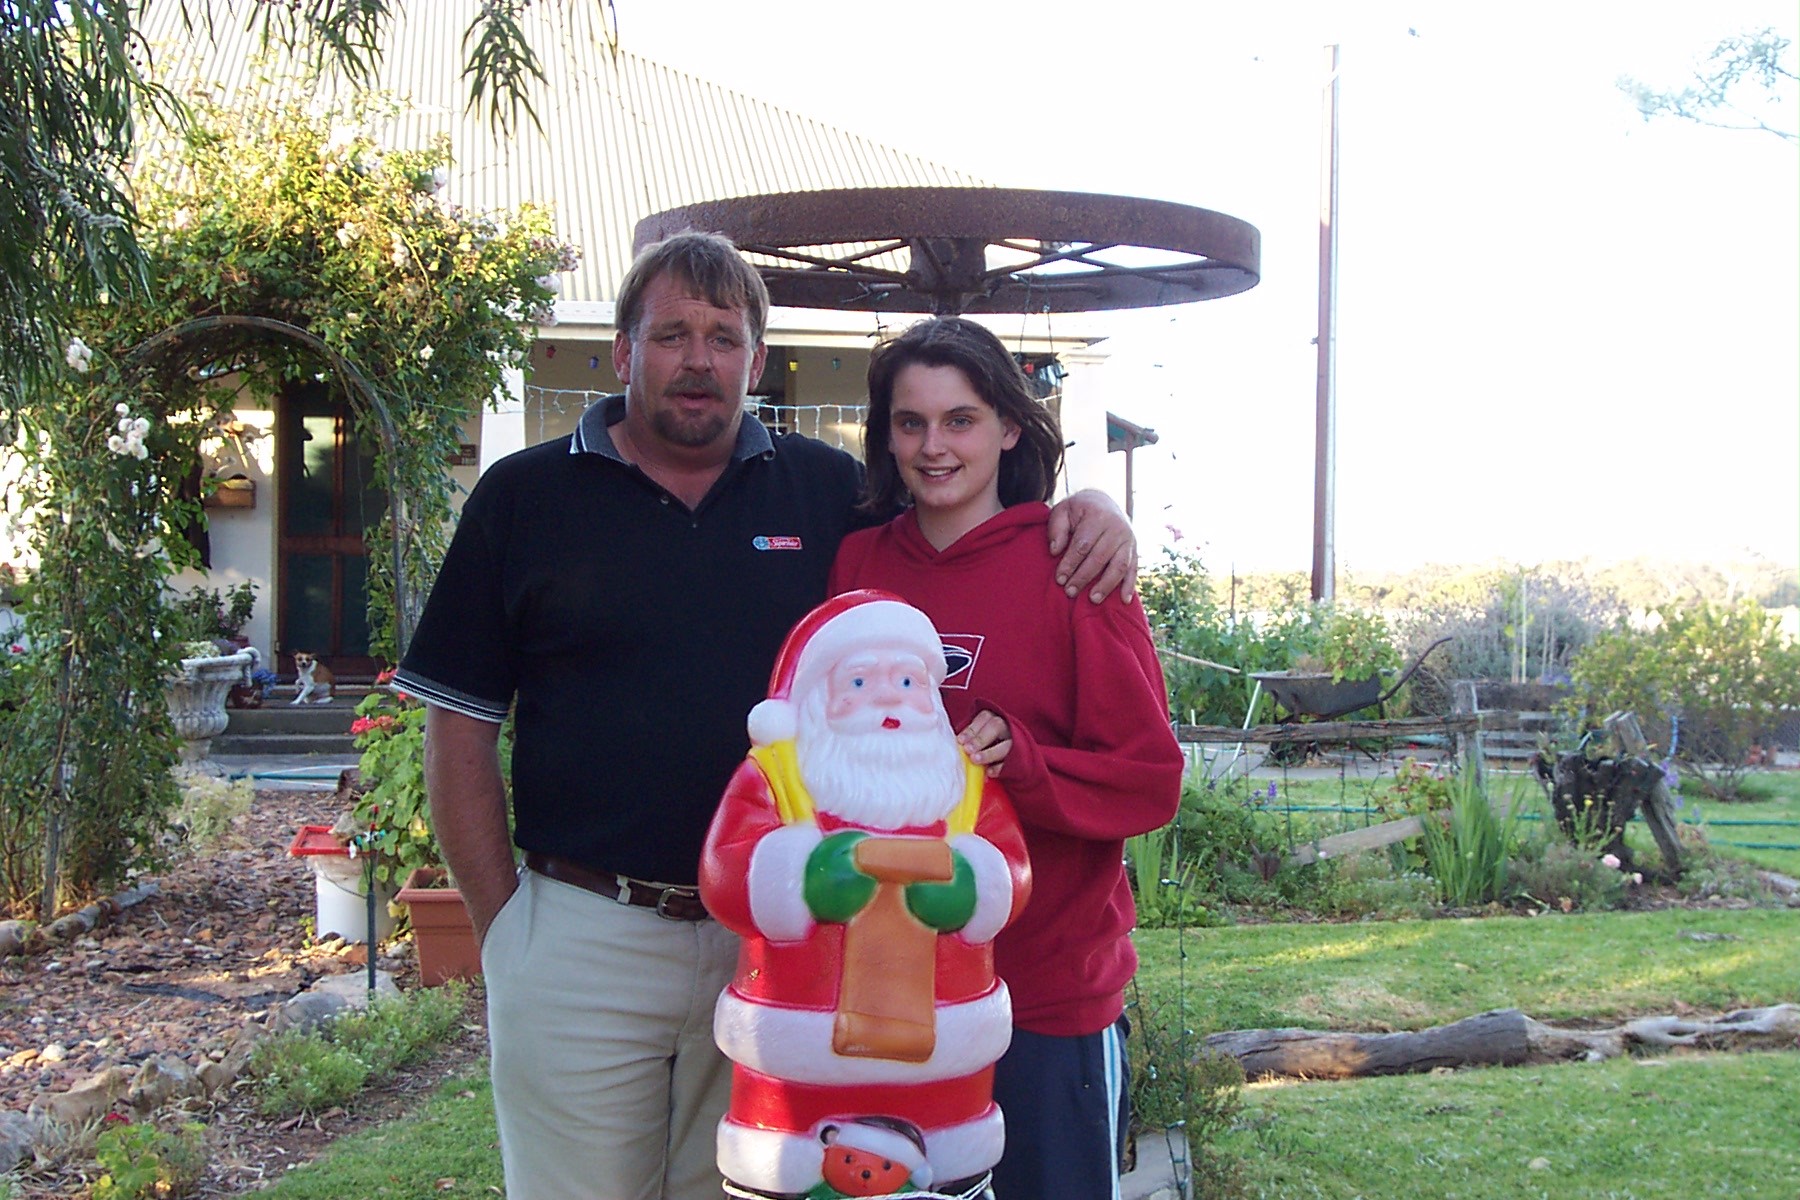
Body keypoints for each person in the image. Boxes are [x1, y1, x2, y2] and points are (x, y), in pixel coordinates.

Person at [393, 232, 1138, 1200]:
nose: (698, 359)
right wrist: (507, 934)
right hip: (586, 933)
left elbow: (960, 520)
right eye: (671, 335)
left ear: (755, 360)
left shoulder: (826, 494)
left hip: (786, 946)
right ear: (622, 352)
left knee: (754, 1187)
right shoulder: (523, 498)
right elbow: (458, 726)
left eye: (724, 337)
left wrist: (1089, 509)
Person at [827, 316, 1185, 1200]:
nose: (934, 446)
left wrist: (1024, 764)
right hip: (887, 996)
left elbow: (1148, 780)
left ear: (1010, 429)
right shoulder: (859, 565)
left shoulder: (1073, 562)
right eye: (910, 422)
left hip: (1044, 998)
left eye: (961, 420)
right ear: (885, 438)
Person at [698, 590, 1033, 1196]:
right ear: (816, 696)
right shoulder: (775, 777)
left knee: (952, 1163)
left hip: (948, 1057)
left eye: (908, 681)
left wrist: (971, 887)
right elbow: (725, 873)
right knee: (784, 1167)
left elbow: (1011, 869)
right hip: (797, 1059)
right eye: (859, 681)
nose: (888, 697)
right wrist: (806, 875)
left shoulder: (964, 782)